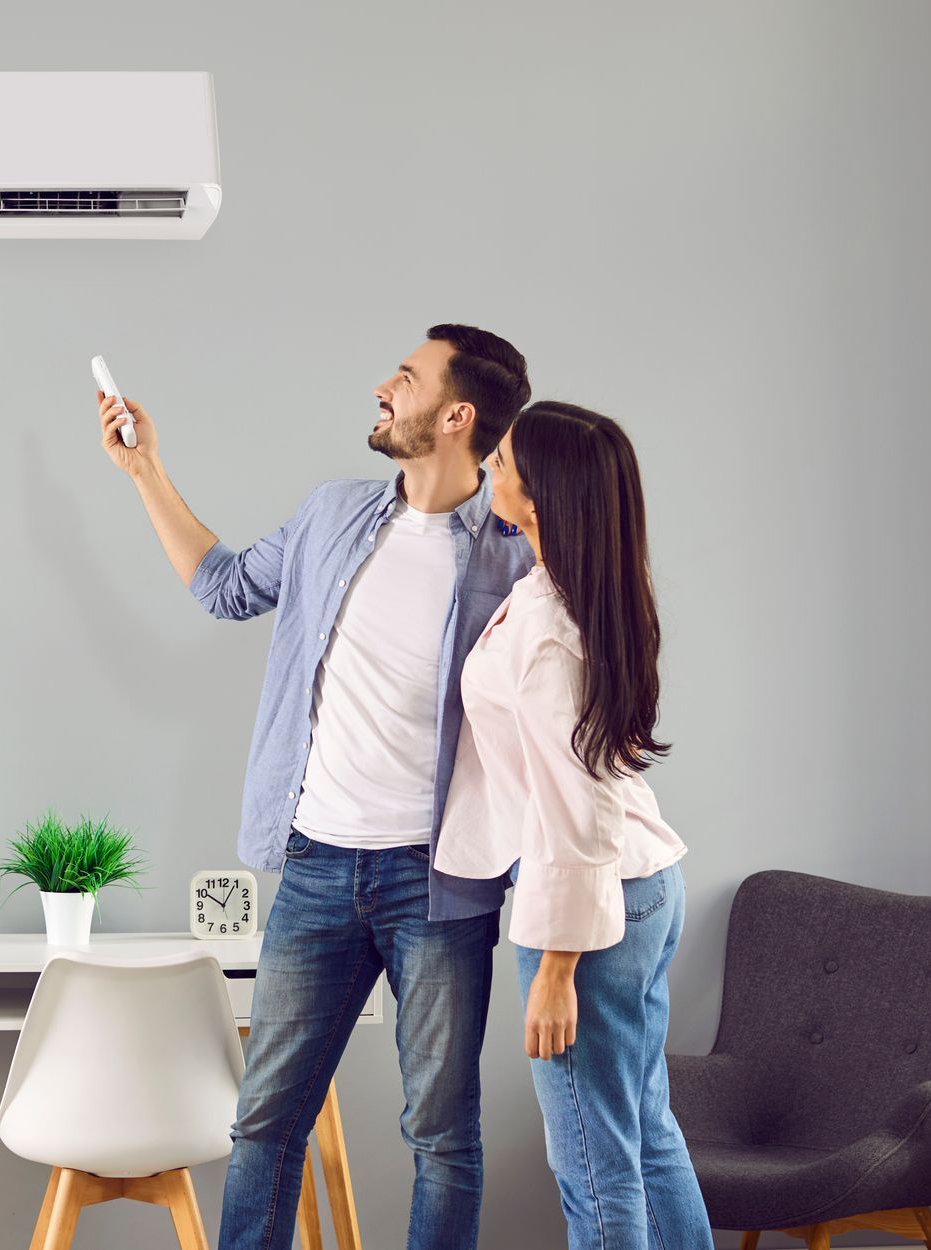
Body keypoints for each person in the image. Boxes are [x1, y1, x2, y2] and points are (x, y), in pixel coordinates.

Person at [96, 325, 534, 1249]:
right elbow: (222, 587)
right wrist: (146, 473)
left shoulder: (514, 558)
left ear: (458, 415)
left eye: (406, 379)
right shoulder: (333, 515)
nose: (383, 386)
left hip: (439, 882)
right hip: (318, 870)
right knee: (263, 1124)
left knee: (443, 1136)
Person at [436, 400, 711, 1247]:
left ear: (542, 494)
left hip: (589, 912)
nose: (493, 468)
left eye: (507, 460)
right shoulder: (573, 588)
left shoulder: (554, 632)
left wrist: (556, 966)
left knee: (591, 1161)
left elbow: (577, 808)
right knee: (642, 1131)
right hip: (641, 884)